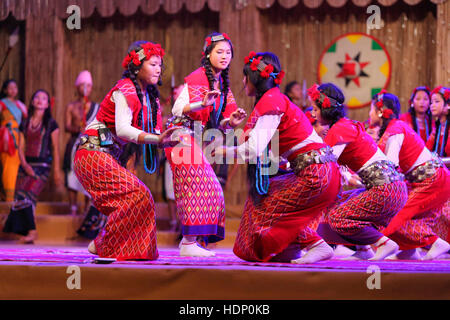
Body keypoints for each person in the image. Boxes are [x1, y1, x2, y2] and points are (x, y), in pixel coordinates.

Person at [219, 51, 341, 264]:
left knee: (264, 200)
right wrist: (228, 126)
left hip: (316, 175)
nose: (243, 81)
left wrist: (222, 152)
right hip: (321, 172)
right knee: (268, 196)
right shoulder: (273, 100)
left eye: (245, 76)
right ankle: (292, 249)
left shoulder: (272, 102)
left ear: (254, 78)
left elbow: (254, 149)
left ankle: (316, 244)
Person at [73, 41, 177, 260]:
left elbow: (156, 133)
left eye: (160, 65)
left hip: (106, 156)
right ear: (137, 66)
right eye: (153, 64)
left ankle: (135, 251)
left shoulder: (149, 98)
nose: (159, 69)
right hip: (92, 153)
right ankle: (103, 244)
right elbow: (122, 129)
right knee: (138, 195)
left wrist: (170, 135)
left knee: (143, 198)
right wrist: (157, 138)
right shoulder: (125, 89)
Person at [165, 32, 246, 257]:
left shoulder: (223, 85)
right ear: (208, 54)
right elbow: (176, 110)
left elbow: (217, 122)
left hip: (195, 138)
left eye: (228, 52)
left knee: (213, 190)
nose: (224, 56)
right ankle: (189, 242)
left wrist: (231, 121)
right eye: (219, 52)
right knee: (201, 188)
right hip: (179, 135)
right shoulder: (197, 78)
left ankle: (191, 242)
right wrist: (200, 103)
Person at [310, 84, 408, 260]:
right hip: (391, 189)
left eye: (316, 109)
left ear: (326, 109)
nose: (313, 113)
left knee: (337, 216)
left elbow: (326, 166)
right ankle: (363, 250)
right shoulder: (344, 126)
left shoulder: (339, 130)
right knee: (337, 203)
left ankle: (383, 243)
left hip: (386, 191)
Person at [370, 91, 450, 260]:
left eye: (371, 109)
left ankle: (435, 242)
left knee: (393, 214)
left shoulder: (395, 130)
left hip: (431, 180)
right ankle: (409, 250)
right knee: (401, 215)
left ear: (380, 111)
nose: (369, 114)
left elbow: (391, 166)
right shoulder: (393, 129)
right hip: (429, 179)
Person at [3, 89, 62, 243]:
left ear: (48, 104)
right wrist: (24, 164)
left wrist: (56, 171)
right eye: (37, 97)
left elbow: (55, 148)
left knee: (26, 195)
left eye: (43, 98)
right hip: (26, 164)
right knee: (20, 197)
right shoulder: (25, 121)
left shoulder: (51, 123)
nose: (40, 100)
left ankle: (32, 231)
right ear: (32, 102)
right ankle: (26, 231)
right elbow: (20, 147)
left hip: (42, 166)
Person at [63, 70, 100, 216]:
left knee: (88, 176)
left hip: (89, 145)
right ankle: (72, 207)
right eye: (82, 85)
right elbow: (66, 126)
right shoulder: (71, 107)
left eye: (88, 86)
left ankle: (86, 208)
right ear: (77, 87)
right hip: (74, 143)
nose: (85, 89)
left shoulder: (96, 107)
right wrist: (77, 128)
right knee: (71, 175)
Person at [0, 79, 27, 202]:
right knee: (8, 166)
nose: (13, 90)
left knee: (17, 165)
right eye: (10, 88)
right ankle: (8, 199)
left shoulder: (20, 105)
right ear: (5, 90)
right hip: (7, 137)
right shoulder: (2, 103)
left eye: (15, 87)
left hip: (19, 137)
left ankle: (13, 197)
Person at [426, 86, 450, 157]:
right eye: (431, 102)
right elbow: (427, 151)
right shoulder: (437, 127)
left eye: (436, 101)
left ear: (448, 105)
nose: (432, 105)